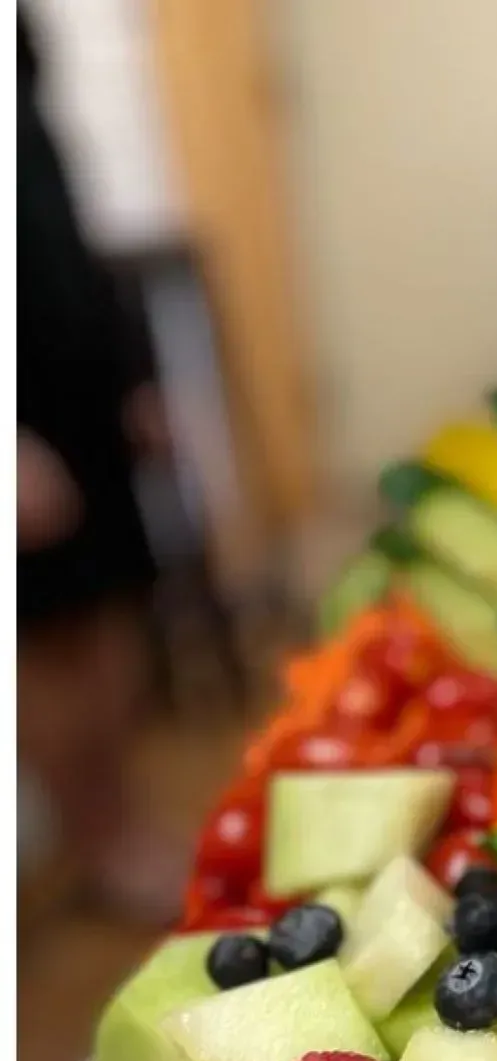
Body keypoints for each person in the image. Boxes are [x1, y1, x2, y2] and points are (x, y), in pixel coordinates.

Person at [18, 11, 184, 918]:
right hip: (19, 417)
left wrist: (132, 378)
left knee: (116, 608)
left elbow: (65, 224)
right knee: (48, 635)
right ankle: (98, 845)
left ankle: (126, 820)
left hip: (74, 371)